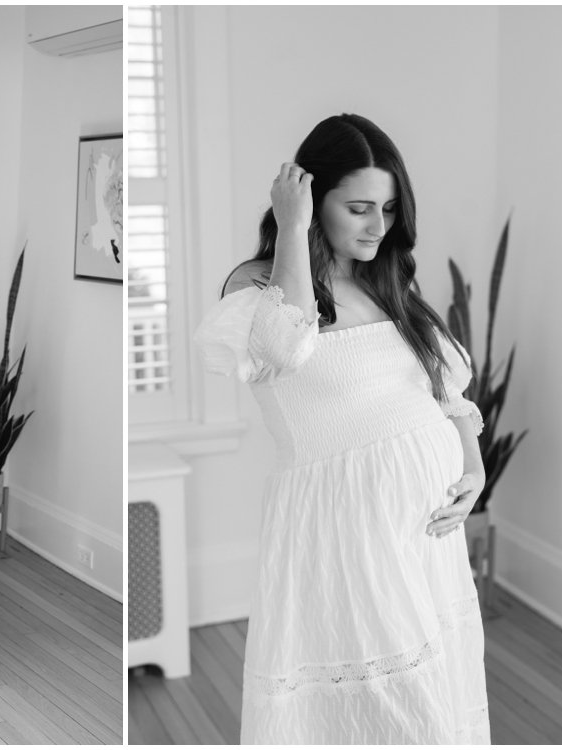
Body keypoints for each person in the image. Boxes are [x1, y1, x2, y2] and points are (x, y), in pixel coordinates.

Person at [194, 114, 490, 744]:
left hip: (426, 537)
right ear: (309, 197)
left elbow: (445, 389)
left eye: (387, 208)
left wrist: (472, 466)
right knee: (393, 712)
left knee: (437, 699)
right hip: (347, 536)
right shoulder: (259, 288)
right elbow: (283, 348)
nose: (377, 227)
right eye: (358, 208)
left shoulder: (387, 281)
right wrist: (293, 229)